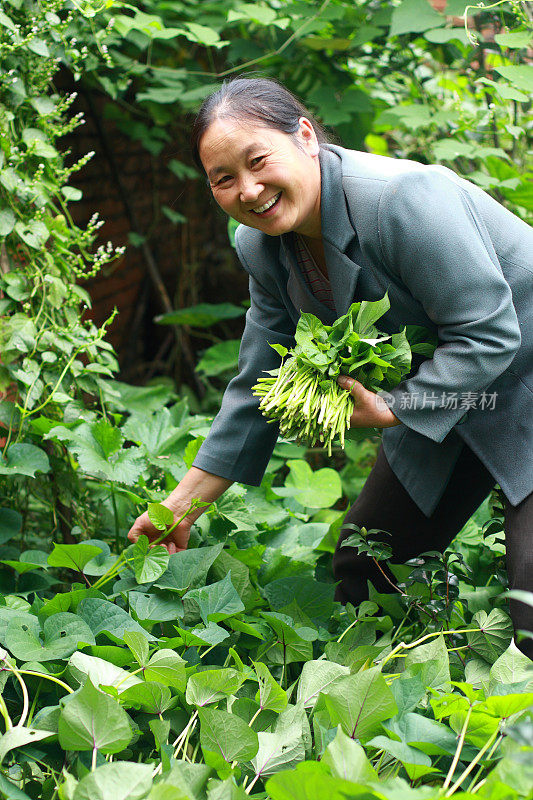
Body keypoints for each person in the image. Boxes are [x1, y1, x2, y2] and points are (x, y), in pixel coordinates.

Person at [128, 77, 533, 657]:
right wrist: (180, 504)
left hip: (522, 373)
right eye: (224, 179)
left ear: (307, 137)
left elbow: (491, 333)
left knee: (532, 611)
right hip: (452, 391)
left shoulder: (401, 199)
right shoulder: (262, 246)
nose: (249, 189)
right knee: (368, 561)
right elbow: (258, 383)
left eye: (258, 160)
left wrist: (396, 407)